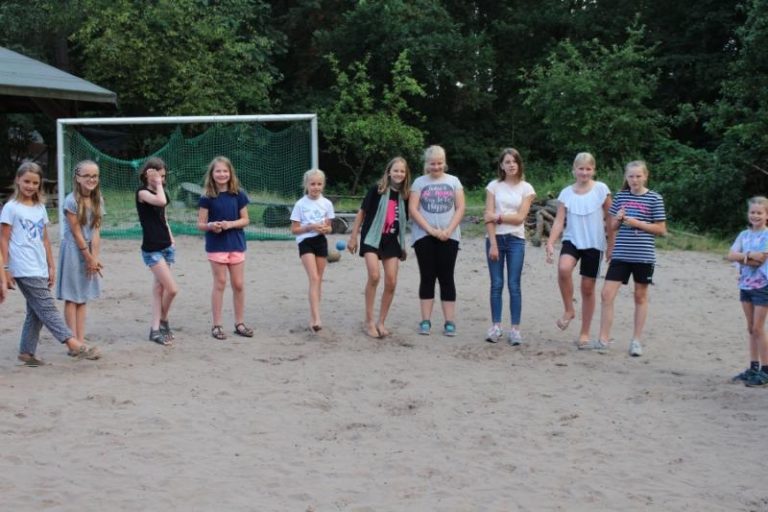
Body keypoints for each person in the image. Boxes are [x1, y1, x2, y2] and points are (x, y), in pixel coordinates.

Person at [0, 161, 100, 366]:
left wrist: (51, 266)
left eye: (35, 183)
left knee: (35, 311)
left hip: (39, 266)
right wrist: (6, 268)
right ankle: (74, 344)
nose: (30, 186)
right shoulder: (11, 208)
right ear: (18, 180)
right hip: (22, 266)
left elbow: (44, 239)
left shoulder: (39, 207)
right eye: (26, 181)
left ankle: (27, 352)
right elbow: (4, 239)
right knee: (46, 307)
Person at [594, 160, 667, 354]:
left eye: (638, 176)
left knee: (640, 296)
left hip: (643, 255)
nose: (634, 180)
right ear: (626, 177)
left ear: (645, 176)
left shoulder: (654, 198)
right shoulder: (621, 196)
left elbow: (661, 229)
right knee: (606, 294)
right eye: (631, 176)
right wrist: (618, 220)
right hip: (621, 253)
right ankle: (603, 339)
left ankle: (636, 341)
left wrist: (638, 223)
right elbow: (612, 226)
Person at [545, 152, 612, 348]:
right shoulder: (566, 193)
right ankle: (569, 309)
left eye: (588, 169)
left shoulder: (601, 190)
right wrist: (550, 242)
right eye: (581, 169)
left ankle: (585, 332)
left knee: (587, 288)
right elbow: (559, 220)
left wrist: (612, 244)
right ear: (574, 170)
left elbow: (610, 217)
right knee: (564, 268)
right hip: (572, 239)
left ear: (594, 170)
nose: (584, 172)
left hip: (594, 243)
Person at [347, 157, 410, 338]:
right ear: (389, 172)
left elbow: (405, 219)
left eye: (402, 171)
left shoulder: (405, 196)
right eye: (396, 170)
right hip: (372, 238)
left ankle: (381, 321)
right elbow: (361, 213)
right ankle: (368, 321)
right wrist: (353, 237)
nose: (399, 174)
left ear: (406, 174)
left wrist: (403, 245)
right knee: (374, 276)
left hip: (391, 240)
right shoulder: (377, 190)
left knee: (391, 281)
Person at [409, 145, 465, 336]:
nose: (436, 167)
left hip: (449, 236)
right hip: (424, 236)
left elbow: (460, 207)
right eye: (433, 163)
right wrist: (431, 230)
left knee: (446, 277)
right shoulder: (419, 182)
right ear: (427, 164)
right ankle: (425, 320)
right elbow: (413, 209)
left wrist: (448, 230)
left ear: (444, 163)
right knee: (427, 277)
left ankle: (449, 321)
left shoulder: (454, 181)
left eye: (439, 163)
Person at [483, 148, 536, 345]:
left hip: (516, 240)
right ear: (501, 165)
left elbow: (520, 218)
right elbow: (486, 217)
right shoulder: (493, 186)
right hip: (495, 239)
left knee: (514, 284)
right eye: (507, 162)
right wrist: (493, 244)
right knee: (496, 284)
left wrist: (497, 216)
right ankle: (496, 326)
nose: (511, 165)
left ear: (519, 164)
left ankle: (515, 329)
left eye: (514, 161)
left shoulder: (527, 188)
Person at [196, 156, 252, 340]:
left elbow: (246, 220)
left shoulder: (239, 194)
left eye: (225, 171)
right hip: (216, 245)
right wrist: (211, 226)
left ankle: (239, 323)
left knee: (238, 284)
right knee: (220, 283)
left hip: (236, 243)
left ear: (230, 173)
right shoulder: (207, 196)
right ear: (212, 174)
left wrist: (230, 224)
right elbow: (200, 224)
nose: (222, 174)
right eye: (218, 171)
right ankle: (217, 325)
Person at [55, 160, 105, 343]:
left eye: (95, 176)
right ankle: (73, 342)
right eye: (87, 176)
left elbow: (96, 231)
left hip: (89, 252)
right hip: (73, 251)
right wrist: (88, 257)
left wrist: (94, 258)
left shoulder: (98, 199)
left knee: (83, 297)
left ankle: (81, 341)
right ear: (77, 178)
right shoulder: (71, 201)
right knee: (71, 297)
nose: (91, 179)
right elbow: (76, 233)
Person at [136, 157, 178, 346]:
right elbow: (160, 202)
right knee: (172, 289)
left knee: (159, 288)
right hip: (152, 248)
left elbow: (163, 216)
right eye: (157, 176)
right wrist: (158, 184)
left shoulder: (161, 191)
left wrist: (171, 237)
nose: (161, 179)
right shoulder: (142, 193)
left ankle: (155, 329)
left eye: (163, 176)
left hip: (166, 246)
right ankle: (163, 319)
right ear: (148, 175)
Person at [727, 196, 768, 387]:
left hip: (762, 287)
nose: (755, 216)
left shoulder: (767, 236)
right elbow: (730, 255)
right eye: (752, 212)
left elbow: (760, 260)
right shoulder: (744, 235)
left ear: (766, 215)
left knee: (759, 328)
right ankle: (753, 366)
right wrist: (749, 255)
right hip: (745, 285)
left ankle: (766, 370)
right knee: (751, 328)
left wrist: (742, 257)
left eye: (759, 212)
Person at [291, 169, 334, 332]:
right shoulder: (300, 204)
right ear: (306, 185)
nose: (316, 187)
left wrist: (325, 229)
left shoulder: (327, 204)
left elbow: (329, 227)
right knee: (314, 278)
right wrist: (310, 227)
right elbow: (294, 230)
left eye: (319, 184)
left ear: (323, 185)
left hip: (320, 241)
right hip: (305, 241)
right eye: (313, 184)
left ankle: (313, 316)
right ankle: (316, 319)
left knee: (318, 280)